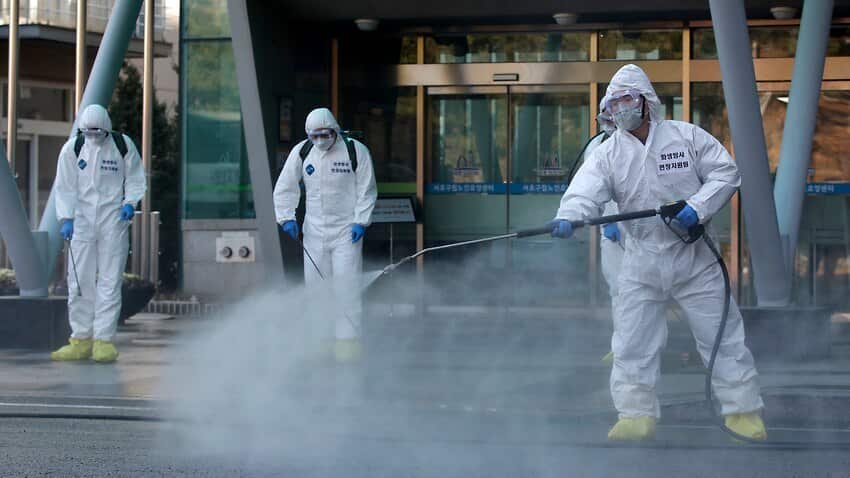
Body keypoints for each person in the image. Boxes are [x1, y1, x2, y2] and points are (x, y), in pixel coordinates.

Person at [551, 64, 766, 442]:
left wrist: (697, 208)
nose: (621, 108)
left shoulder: (686, 137)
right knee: (632, 342)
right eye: (614, 102)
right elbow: (585, 190)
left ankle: (743, 410)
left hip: (695, 258)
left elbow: (726, 173)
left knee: (721, 336)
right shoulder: (607, 153)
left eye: (627, 99)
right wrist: (570, 215)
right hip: (640, 260)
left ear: (647, 102)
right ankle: (635, 415)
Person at [273, 107, 377, 363]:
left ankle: (347, 343)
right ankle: (319, 340)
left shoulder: (355, 151)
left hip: (346, 233)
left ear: (335, 129)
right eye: (314, 136)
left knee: (347, 286)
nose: (320, 140)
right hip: (314, 232)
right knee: (317, 288)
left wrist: (360, 221)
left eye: (325, 134)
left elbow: (367, 189)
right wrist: (287, 217)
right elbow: (285, 186)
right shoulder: (302, 152)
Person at [51, 104, 146, 363]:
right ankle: (80, 338)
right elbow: (64, 186)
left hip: (112, 221)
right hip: (80, 222)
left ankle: (103, 340)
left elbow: (136, 177)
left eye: (98, 133)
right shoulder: (72, 149)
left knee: (109, 280)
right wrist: (66, 217)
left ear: (106, 128)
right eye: (89, 133)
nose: (93, 137)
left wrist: (130, 202)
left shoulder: (122, 145)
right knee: (79, 281)